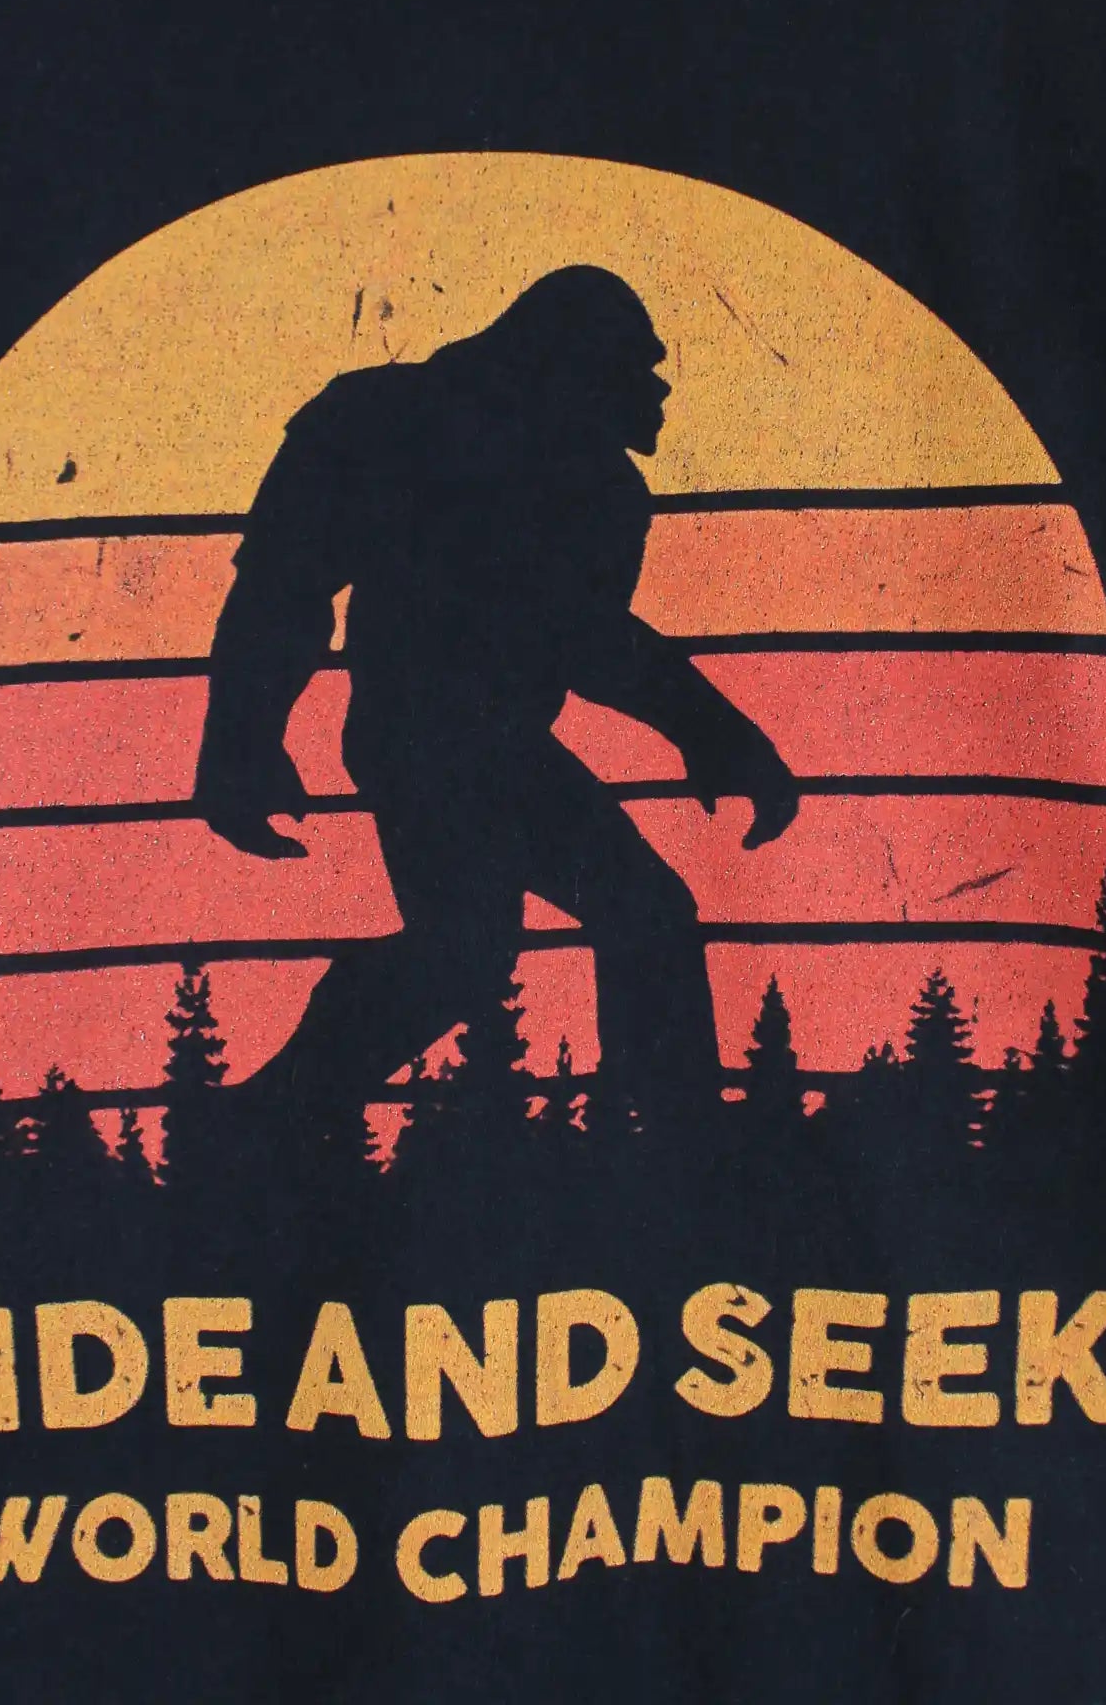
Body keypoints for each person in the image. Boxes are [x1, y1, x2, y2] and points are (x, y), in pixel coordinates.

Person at [193, 265, 800, 1145]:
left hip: (487, 747)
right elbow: (285, 589)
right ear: (575, 371)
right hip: (428, 741)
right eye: (637, 366)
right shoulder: (396, 426)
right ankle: (682, 1152)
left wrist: (242, 738)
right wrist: (241, 739)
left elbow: (586, 639)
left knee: (508, 943)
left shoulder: (564, 477)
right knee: (537, 935)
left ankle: (272, 1115)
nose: (659, 390)